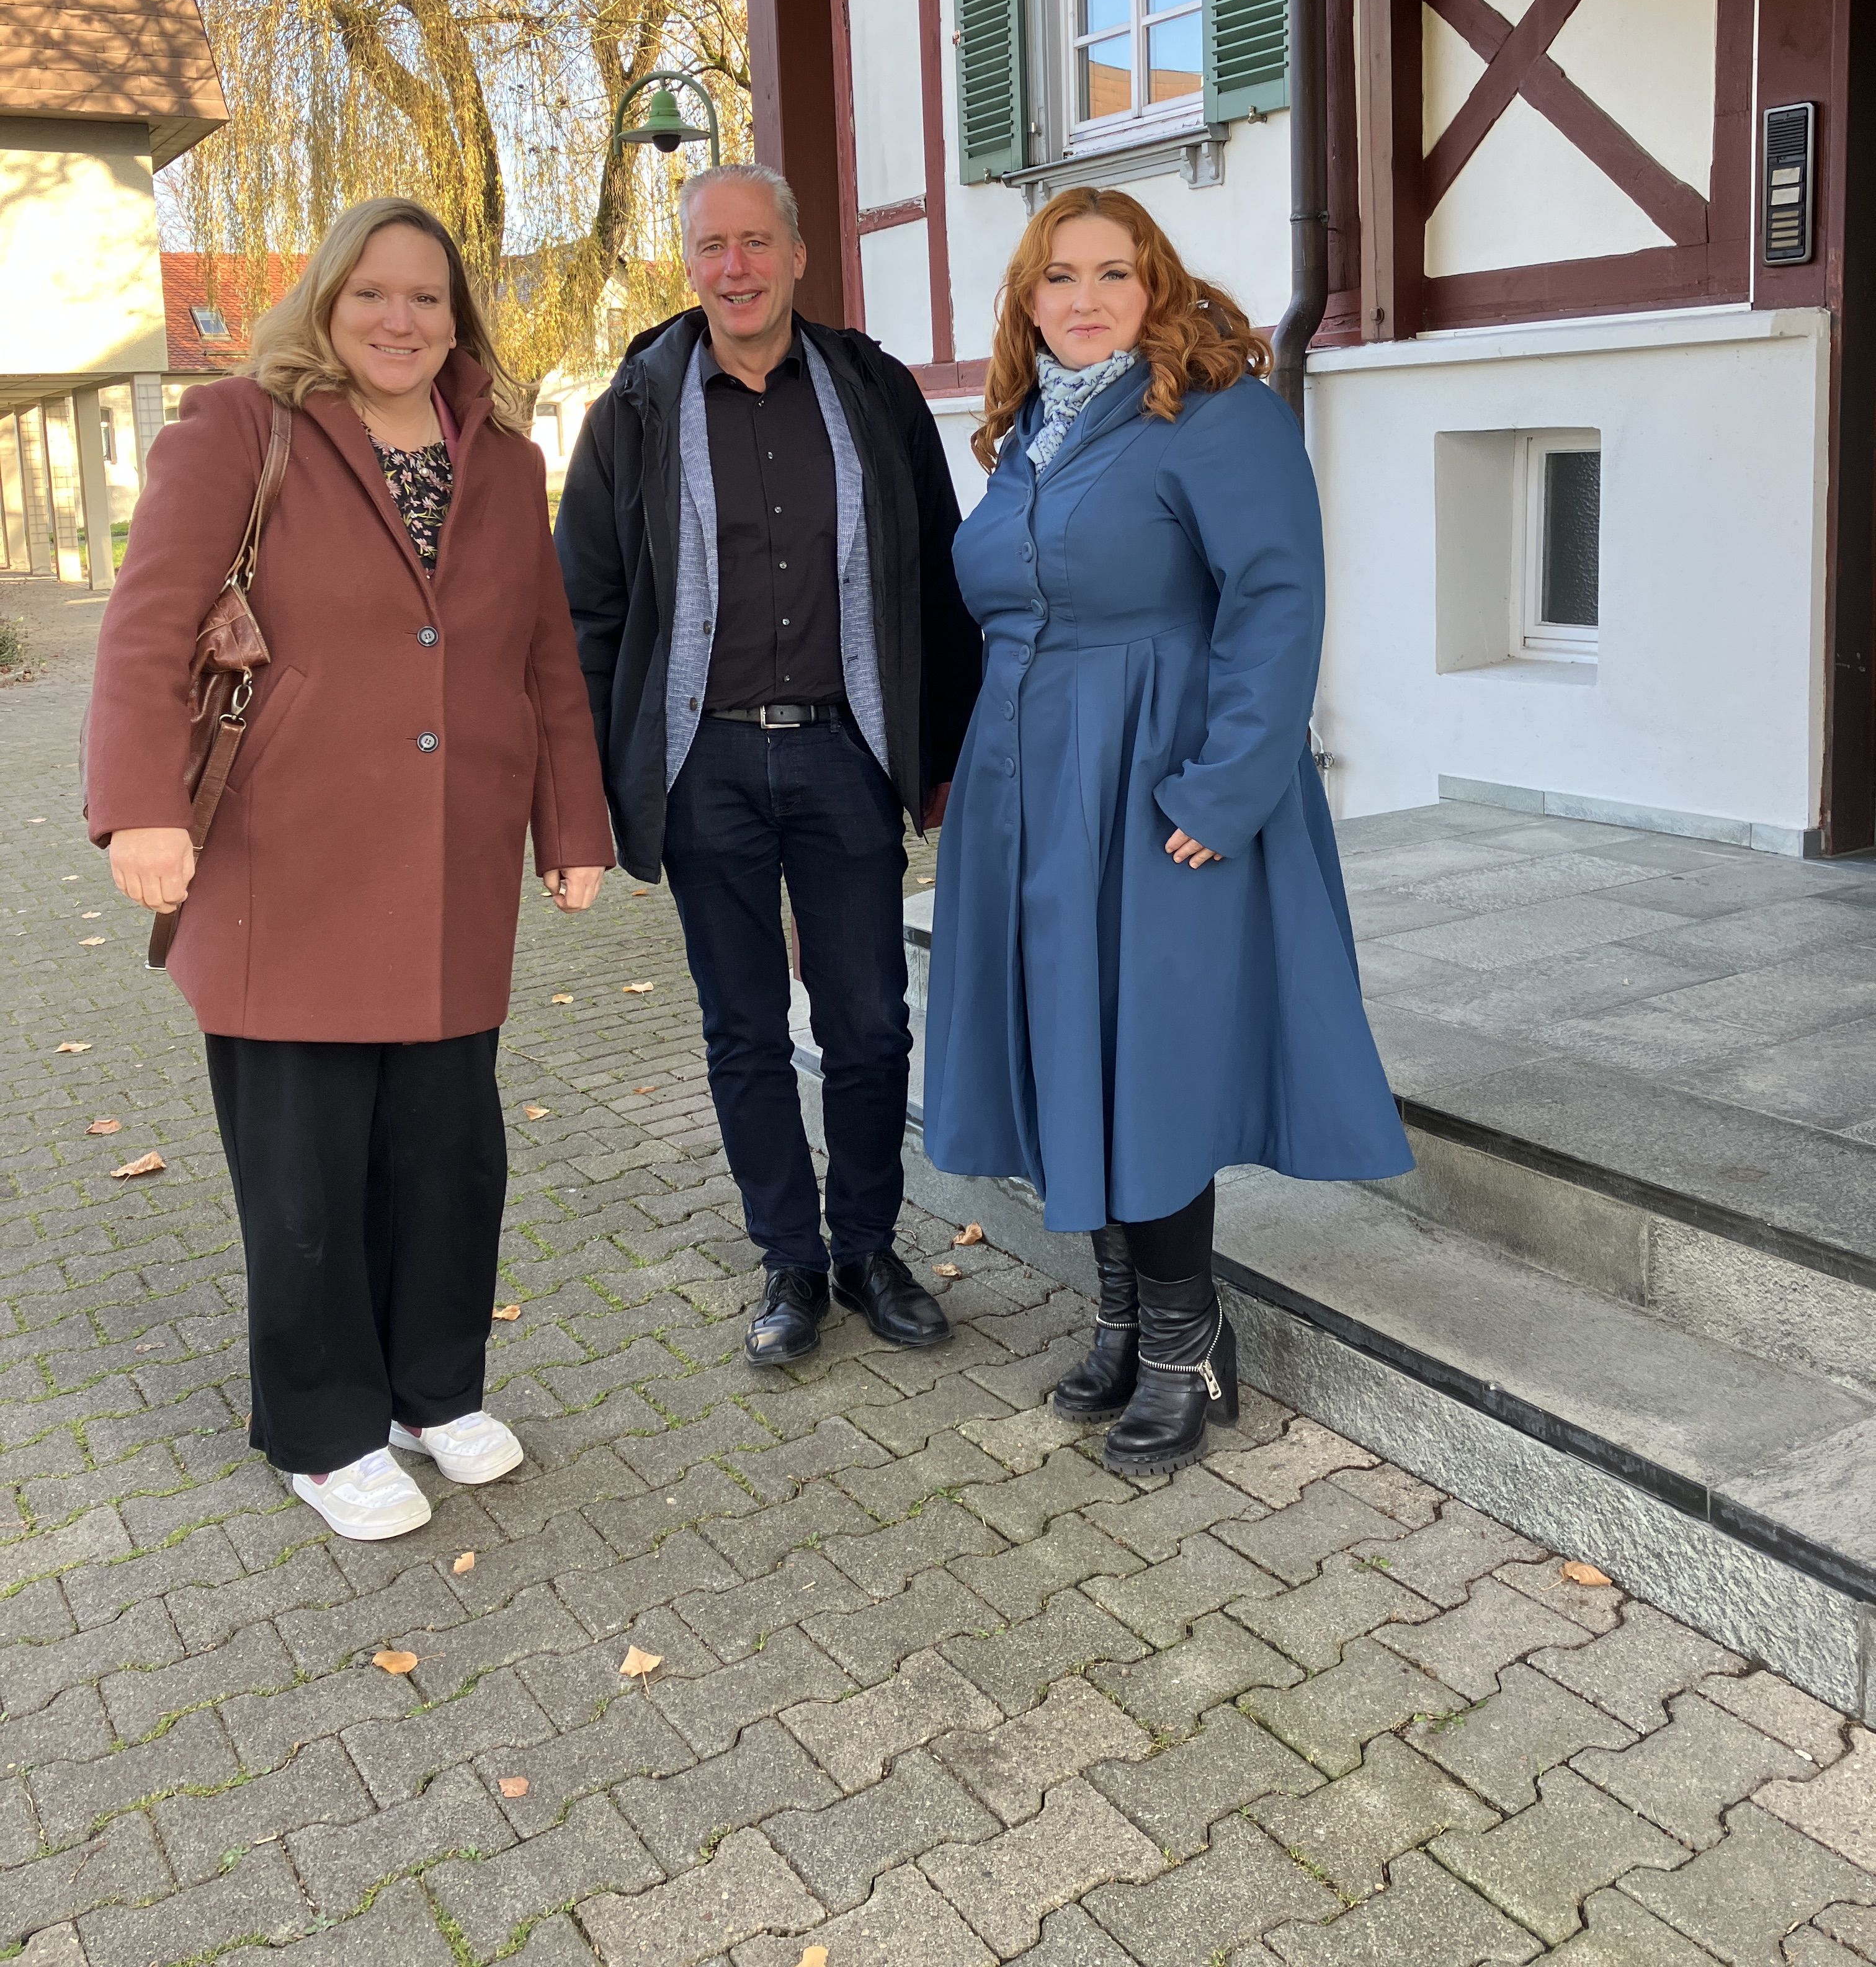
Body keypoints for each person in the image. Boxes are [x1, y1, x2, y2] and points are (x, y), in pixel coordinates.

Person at [86, 197, 614, 1542]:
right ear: (324, 302)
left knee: (449, 1155)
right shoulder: (239, 432)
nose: (401, 319)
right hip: (284, 865)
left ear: (459, 319)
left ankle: (434, 1392)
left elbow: (543, 653)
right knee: (307, 1173)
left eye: (428, 298)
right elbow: (150, 626)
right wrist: (142, 807)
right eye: (373, 293)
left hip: (451, 865)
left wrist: (574, 823)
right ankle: (323, 1430)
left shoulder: (499, 456)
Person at [922, 186, 1412, 1478]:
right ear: (1028, 301)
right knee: (1073, 1051)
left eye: (1114, 274)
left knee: (1154, 1062)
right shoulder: (1027, 434)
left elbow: (1276, 598)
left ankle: (1187, 1348)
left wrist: (1227, 785)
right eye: (1058, 277)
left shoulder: (1216, 414)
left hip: (1156, 783)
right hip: (1031, 794)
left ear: (1158, 288)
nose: (1085, 300)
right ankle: (1128, 1320)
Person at [555, 162, 980, 1368]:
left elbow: (939, 580)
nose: (733, 268)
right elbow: (584, 607)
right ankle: (789, 1264)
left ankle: (868, 1250)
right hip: (708, 771)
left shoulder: (871, 390)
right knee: (743, 1030)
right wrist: (593, 780)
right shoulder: (636, 404)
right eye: (710, 248)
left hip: (847, 756)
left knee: (869, 1024)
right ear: (687, 266)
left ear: (798, 255)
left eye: (755, 243)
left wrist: (939, 754)